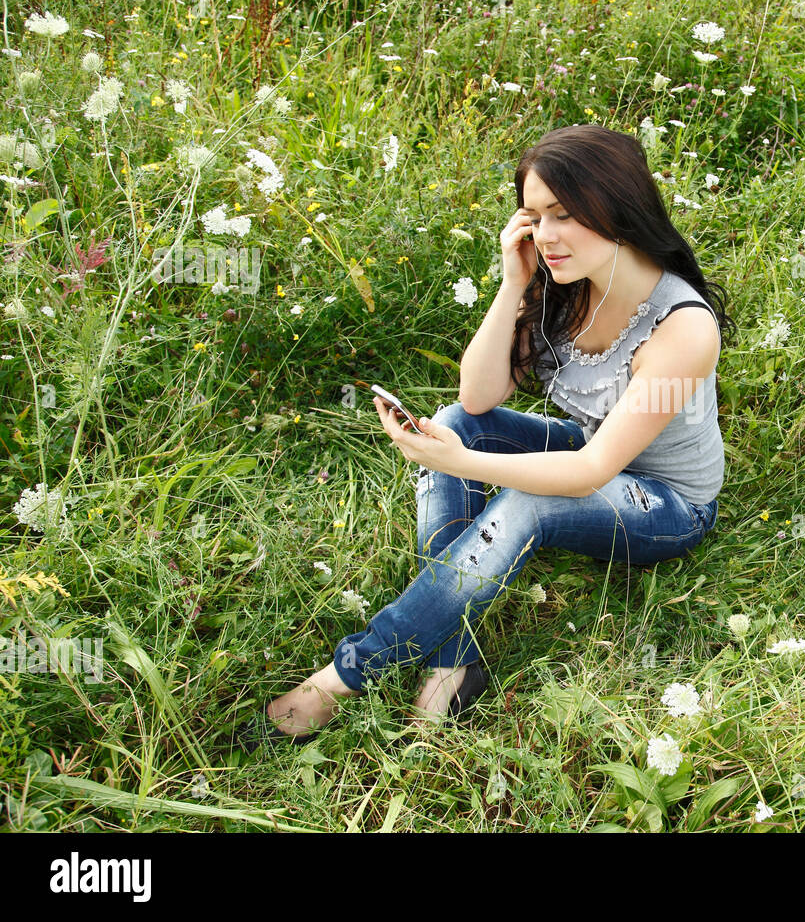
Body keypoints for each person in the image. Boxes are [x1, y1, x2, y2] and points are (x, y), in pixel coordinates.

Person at [242, 124, 736, 747]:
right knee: (453, 422)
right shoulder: (567, 285)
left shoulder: (682, 327)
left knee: (525, 495)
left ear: (617, 207)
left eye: (564, 214)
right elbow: (478, 397)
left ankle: (339, 680)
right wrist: (512, 283)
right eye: (533, 216)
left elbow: (591, 472)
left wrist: (468, 465)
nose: (547, 236)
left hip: (666, 504)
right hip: (590, 451)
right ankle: (451, 663)